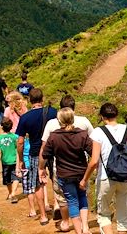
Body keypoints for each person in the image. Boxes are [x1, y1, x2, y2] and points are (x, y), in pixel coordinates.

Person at [40, 95, 94, 232]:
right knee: (82, 197)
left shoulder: (54, 135)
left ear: (60, 119)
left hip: (63, 173)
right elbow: (94, 150)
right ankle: (86, 227)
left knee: (71, 201)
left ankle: (76, 229)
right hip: (82, 172)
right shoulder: (82, 133)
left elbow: (44, 153)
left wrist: (41, 168)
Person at [90, 102, 127, 234]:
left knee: (104, 214)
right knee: (124, 218)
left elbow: (94, 160)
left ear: (102, 117)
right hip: (125, 177)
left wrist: (85, 179)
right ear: (116, 115)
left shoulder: (98, 132)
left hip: (105, 177)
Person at [15, 88, 58, 225]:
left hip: (35, 153)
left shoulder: (25, 118)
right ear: (42, 99)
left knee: (38, 184)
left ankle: (44, 216)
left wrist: (21, 159)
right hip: (54, 151)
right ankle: (57, 205)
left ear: (29, 100)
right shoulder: (53, 112)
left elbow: (20, 142)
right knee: (56, 178)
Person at [0, 118, 19, 204]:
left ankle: (11, 193)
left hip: (5, 162)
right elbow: (18, 149)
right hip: (15, 160)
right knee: (16, 177)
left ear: (2, 127)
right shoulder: (15, 137)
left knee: (7, 179)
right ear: (11, 127)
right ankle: (13, 193)